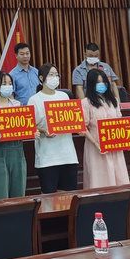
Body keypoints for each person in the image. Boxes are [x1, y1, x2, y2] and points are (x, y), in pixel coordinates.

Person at [0, 71, 37, 199]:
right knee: (1, 197)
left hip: (18, 153)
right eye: (4, 84)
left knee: (19, 196)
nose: (8, 86)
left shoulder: (18, 105)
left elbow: (26, 127)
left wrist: (32, 131)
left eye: (10, 83)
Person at [29, 63, 80, 193]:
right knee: (49, 198)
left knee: (69, 196)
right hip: (47, 158)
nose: (55, 78)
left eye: (56, 75)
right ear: (41, 78)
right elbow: (30, 126)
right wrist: (43, 131)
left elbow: (71, 119)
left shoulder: (64, 96)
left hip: (68, 155)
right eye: (51, 75)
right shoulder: (34, 100)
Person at [81, 69, 130, 189]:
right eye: (98, 82)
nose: (102, 85)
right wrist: (96, 143)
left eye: (103, 82)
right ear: (91, 84)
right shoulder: (86, 103)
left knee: (119, 180)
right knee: (100, 181)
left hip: (114, 146)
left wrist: (129, 142)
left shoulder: (114, 101)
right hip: (96, 147)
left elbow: (120, 123)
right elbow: (82, 128)